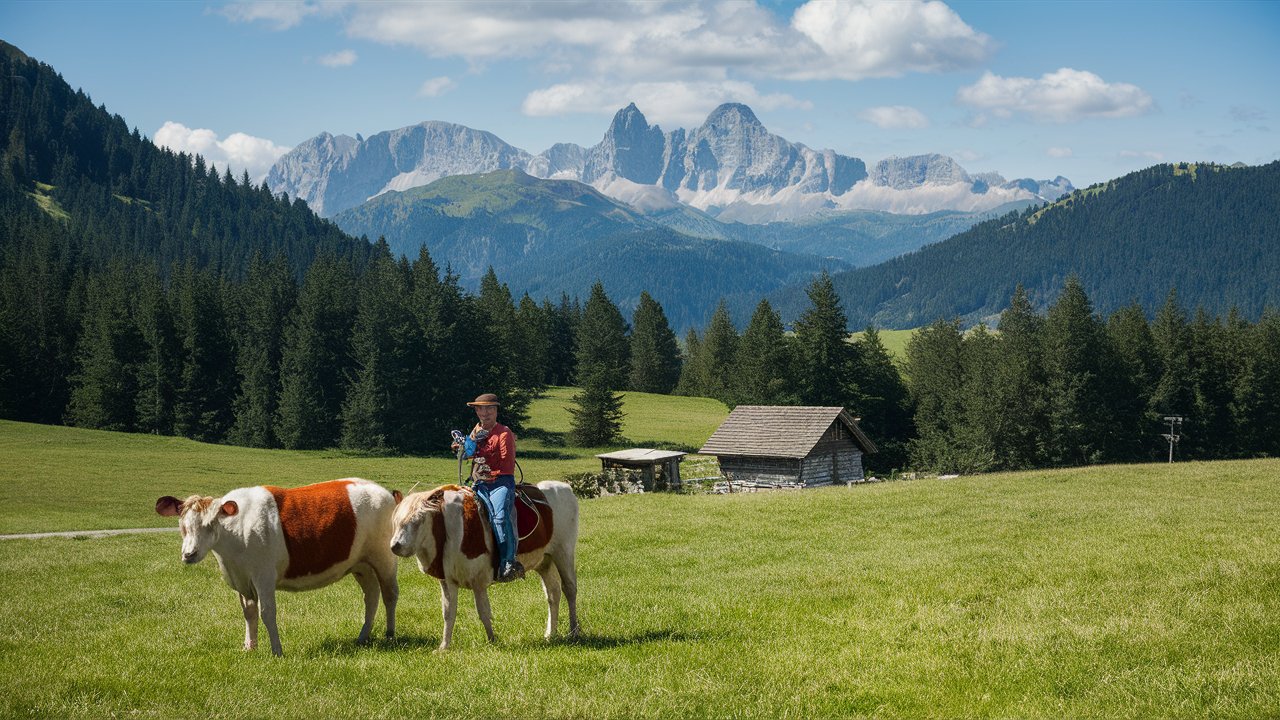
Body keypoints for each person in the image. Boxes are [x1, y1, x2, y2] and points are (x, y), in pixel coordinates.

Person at [455, 393, 523, 583]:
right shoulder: (475, 432)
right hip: (479, 483)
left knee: (499, 517)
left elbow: (506, 463)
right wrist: (462, 447)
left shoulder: (504, 433)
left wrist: (485, 467)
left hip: (500, 482)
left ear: (496, 410)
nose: (485, 413)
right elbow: (469, 454)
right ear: (476, 411)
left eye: (489, 408)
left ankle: (508, 562)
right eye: (481, 408)